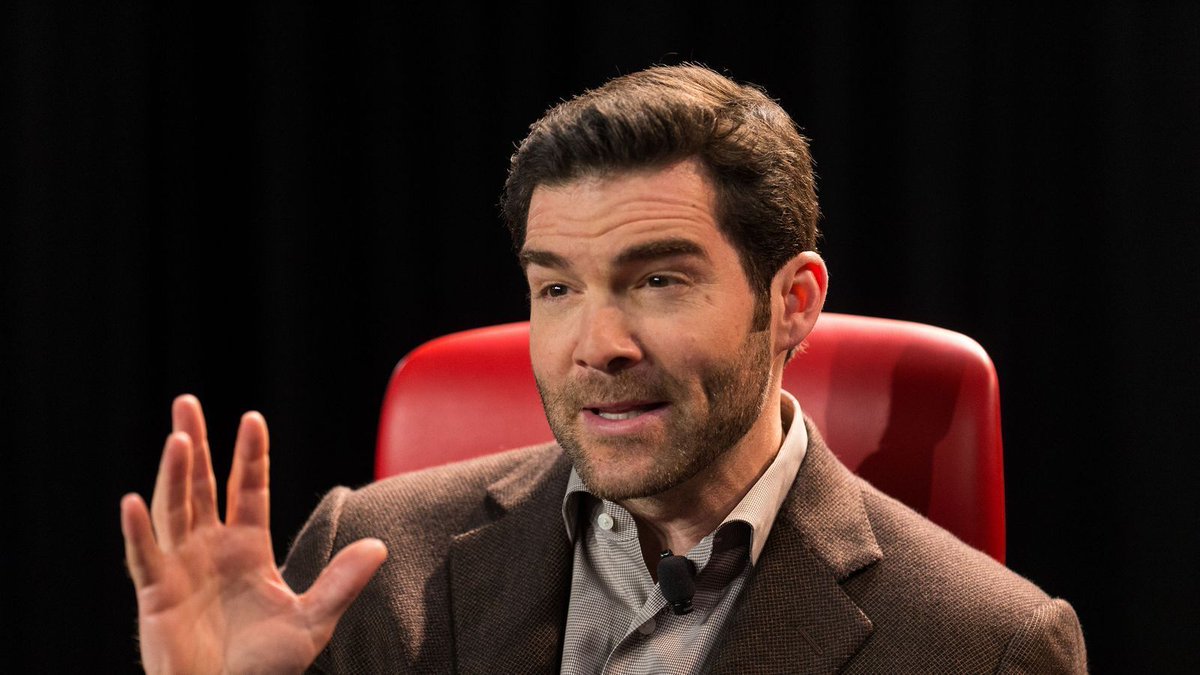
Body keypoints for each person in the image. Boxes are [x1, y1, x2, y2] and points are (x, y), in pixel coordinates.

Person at [120, 64, 1087, 673]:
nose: (597, 343)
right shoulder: (372, 562)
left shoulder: (985, 645)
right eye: (556, 288)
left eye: (658, 280)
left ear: (793, 302)